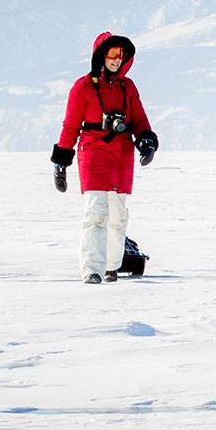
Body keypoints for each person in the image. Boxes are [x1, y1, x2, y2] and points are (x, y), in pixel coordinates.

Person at [51, 32, 158, 284]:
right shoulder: (83, 87)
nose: (116, 59)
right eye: (112, 54)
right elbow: (70, 127)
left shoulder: (128, 87)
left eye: (121, 55)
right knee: (96, 213)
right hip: (94, 154)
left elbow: (140, 119)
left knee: (119, 216)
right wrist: (61, 163)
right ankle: (92, 270)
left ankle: (111, 267)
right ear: (101, 55)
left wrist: (146, 140)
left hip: (121, 156)